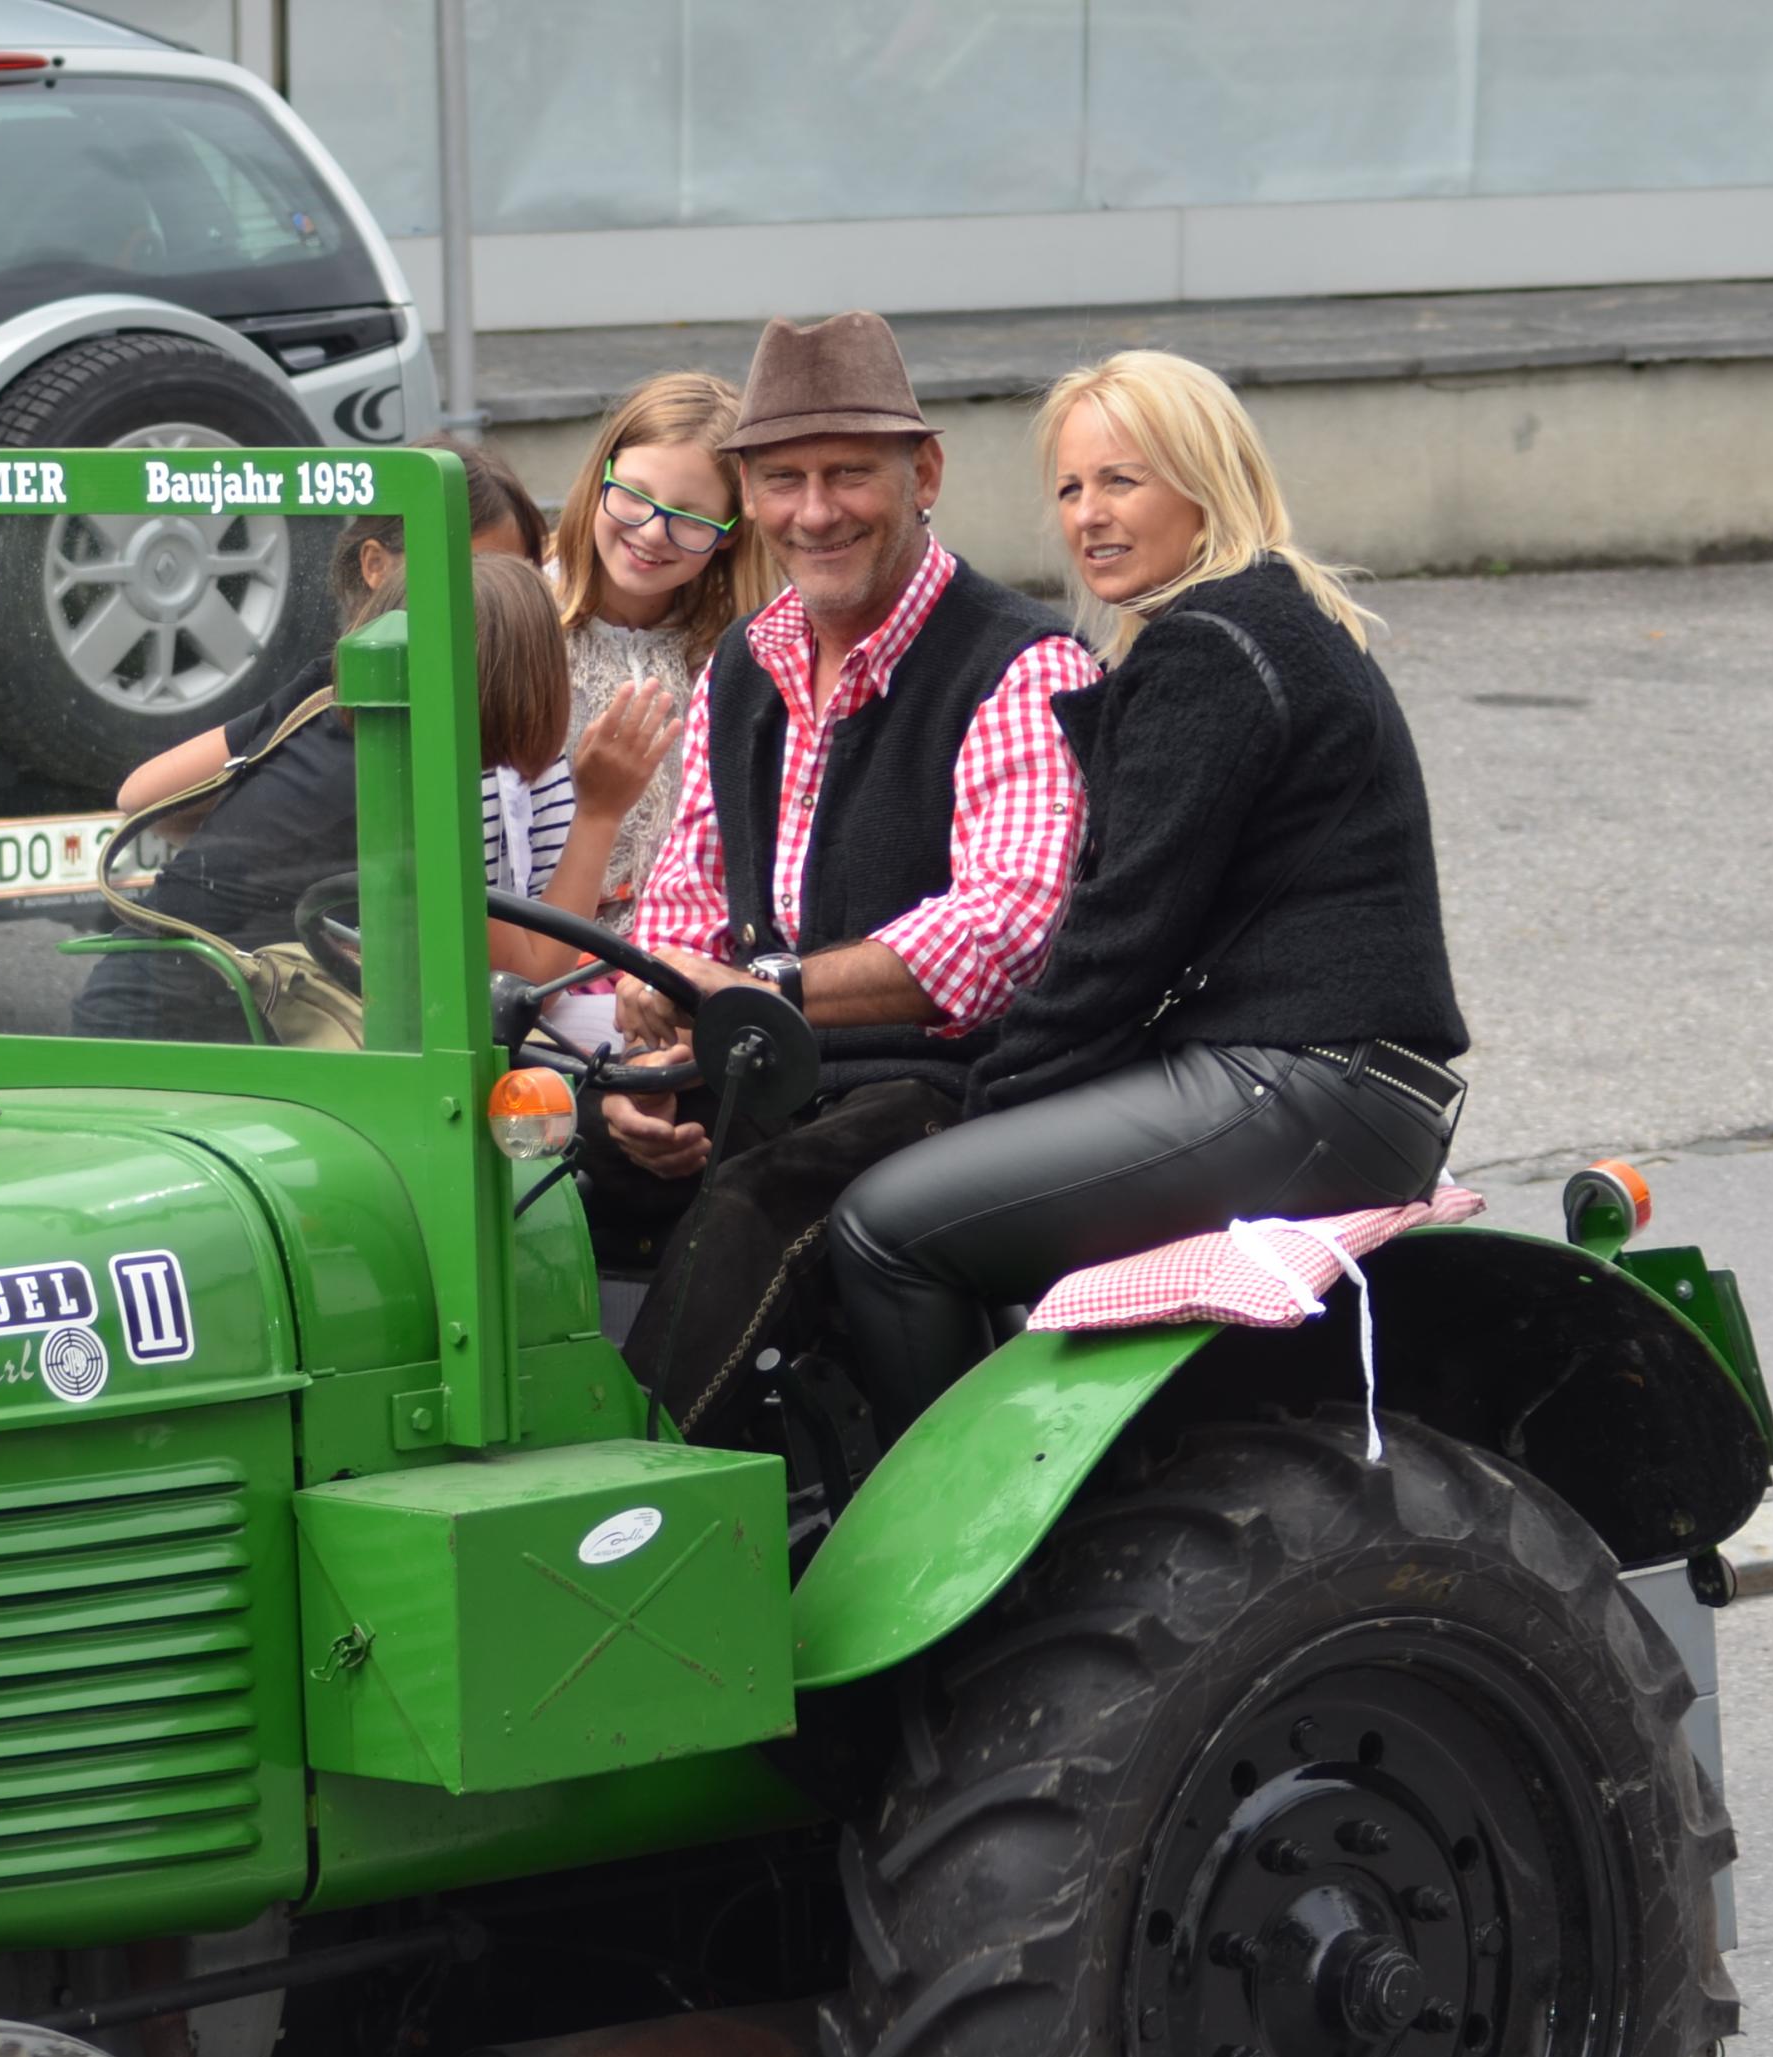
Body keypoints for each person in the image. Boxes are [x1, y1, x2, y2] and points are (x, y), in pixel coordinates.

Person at [823, 350, 1469, 1434]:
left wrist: (986, 1100)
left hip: (1300, 1085)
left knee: (884, 1225)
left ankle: (980, 1535)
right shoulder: (1266, 621)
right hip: (1340, 1087)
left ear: (1206, 482)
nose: (1089, 515)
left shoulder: (1211, 648)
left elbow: (1121, 939)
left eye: (1122, 480)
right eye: (1071, 488)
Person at [592, 313, 1105, 1450]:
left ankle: (624, 1504)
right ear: (747, 493)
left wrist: (761, 990)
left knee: (758, 1204)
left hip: (953, 1088)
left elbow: (1007, 929)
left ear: (924, 475)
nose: (814, 511)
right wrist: (650, 1068)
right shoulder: (746, 659)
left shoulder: (1021, 663)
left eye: (847, 475)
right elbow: (684, 903)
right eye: (783, 479)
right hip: (767, 1071)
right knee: (540, 1159)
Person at [78, 553, 596, 1040]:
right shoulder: (420, 775)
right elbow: (531, 987)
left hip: (115, 1010)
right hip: (215, 1048)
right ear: (525, 686)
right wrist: (600, 811)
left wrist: (252, 845)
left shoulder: (320, 698)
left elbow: (140, 795)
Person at [544, 373, 788, 910]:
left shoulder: (745, 653)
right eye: (635, 496)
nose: (653, 532)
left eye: (692, 517)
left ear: (730, 532)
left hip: (685, 946)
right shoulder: (526, 624)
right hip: (538, 942)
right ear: (601, 476)